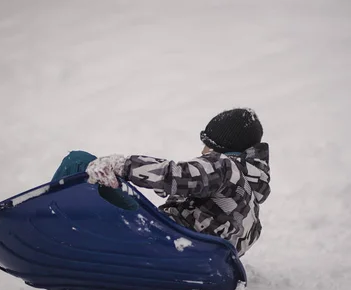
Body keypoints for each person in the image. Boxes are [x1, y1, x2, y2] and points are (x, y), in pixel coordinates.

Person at [53, 108, 271, 257]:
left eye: (208, 145)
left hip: (161, 241)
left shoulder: (223, 167)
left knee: (79, 161)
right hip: (184, 252)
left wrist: (121, 165)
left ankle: (50, 230)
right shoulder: (252, 210)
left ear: (223, 148)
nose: (203, 151)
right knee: (105, 185)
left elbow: (174, 175)